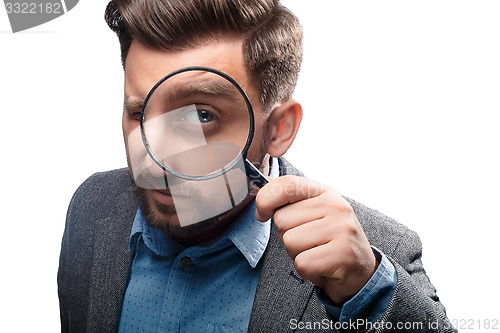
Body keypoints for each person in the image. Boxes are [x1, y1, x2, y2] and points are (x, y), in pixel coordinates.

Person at [57, 0, 456, 332]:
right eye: (139, 111)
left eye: (200, 117)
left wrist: (364, 291)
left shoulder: (369, 256)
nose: (153, 159)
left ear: (279, 129)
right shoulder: (91, 208)